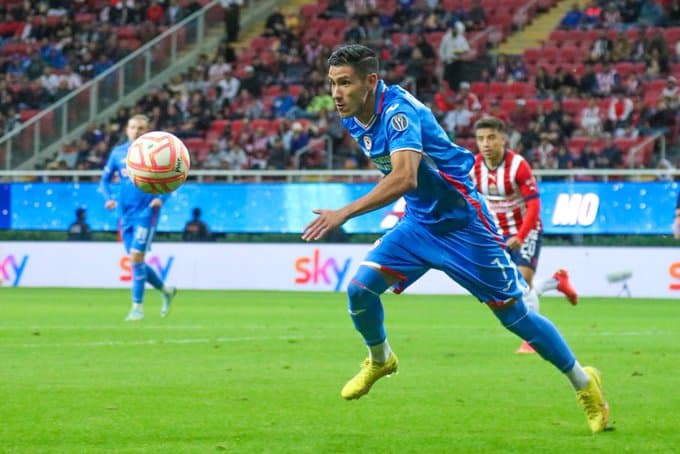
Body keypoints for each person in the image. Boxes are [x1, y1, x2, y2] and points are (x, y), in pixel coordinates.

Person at [301, 44, 609, 433]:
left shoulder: (398, 113)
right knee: (360, 290)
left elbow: (404, 177)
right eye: (332, 84)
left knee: (515, 315)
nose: (336, 93)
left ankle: (585, 384)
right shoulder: (354, 116)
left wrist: (343, 212)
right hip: (419, 223)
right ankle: (380, 359)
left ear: (371, 82)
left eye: (344, 83)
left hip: (464, 224)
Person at [470, 117, 579, 354]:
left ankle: (531, 340)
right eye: (481, 139)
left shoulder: (518, 166)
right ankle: (555, 282)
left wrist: (521, 234)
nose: (486, 143)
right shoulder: (474, 168)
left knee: (522, 280)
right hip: (497, 234)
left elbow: (535, 206)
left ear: (503, 139)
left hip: (526, 229)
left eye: (491, 137)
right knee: (512, 288)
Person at [100, 114, 177, 321]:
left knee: (135, 258)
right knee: (137, 260)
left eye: (141, 128)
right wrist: (108, 198)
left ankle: (137, 308)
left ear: (148, 131)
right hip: (124, 214)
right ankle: (166, 290)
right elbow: (104, 181)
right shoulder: (118, 154)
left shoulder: (157, 154)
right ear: (127, 130)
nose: (136, 131)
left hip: (146, 213)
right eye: (133, 127)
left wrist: (161, 198)